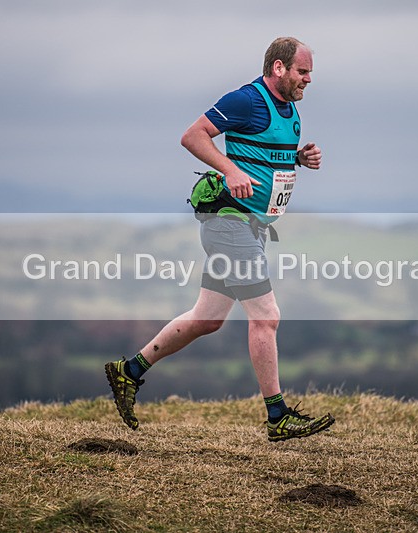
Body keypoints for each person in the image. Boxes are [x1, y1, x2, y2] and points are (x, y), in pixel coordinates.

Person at [105, 37, 334, 442]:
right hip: (229, 220)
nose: (309, 79)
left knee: (208, 318)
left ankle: (130, 372)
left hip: (252, 228)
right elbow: (193, 136)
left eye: (310, 72)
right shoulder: (247, 99)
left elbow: (264, 154)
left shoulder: (290, 109)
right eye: (303, 71)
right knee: (266, 316)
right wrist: (229, 170)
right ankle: (277, 416)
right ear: (278, 68)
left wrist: (299, 158)